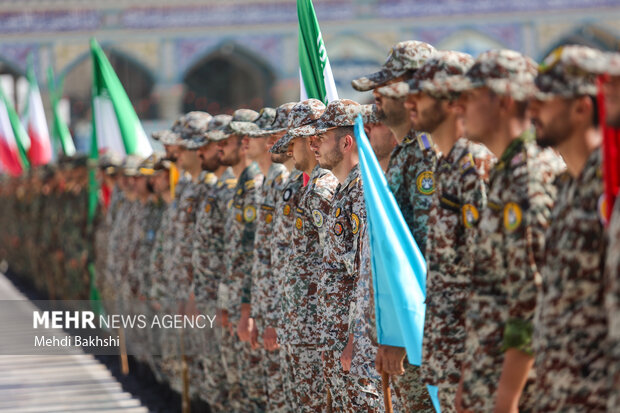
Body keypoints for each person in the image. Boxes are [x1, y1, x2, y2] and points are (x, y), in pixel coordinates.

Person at [379, 50, 495, 412]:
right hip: (436, 337)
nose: (410, 101)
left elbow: (488, 272)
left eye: (420, 92)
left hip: (468, 348)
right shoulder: (434, 160)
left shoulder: (471, 165)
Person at [453, 49, 565, 412]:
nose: (458, 108)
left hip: (521, 392)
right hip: (488, 378)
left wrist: (506, 397)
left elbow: (532, 298)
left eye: (468, 97)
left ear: (502, 101)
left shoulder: (526, 178)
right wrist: (471, 383)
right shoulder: (506, 173)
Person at [352, 39, 437, 411]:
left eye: (384, 91)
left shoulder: (434, 156)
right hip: (413, 336)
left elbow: (430, 256)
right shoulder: (406, 155)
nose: (376, 101)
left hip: (432, 338)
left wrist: (404, 334)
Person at [529, 45, 608, 411]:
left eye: (544, 101)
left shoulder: (609, 186)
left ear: (581, 107)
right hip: (560, 392)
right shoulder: (566, 187)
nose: (532, 111)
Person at [308, 99, 381, 412]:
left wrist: (353, 339)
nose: (314, 147)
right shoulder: (342, 190)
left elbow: (362, 274)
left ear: (346, 142)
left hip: (352, 339)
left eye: (320, 139)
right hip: (335, 334)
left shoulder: (362, 192)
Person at [272, 99, 339, 412]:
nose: (289, 152)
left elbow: (336, 259)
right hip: (302, 325)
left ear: (312, 142)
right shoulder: (310, 187)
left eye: (294, 143)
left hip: (315, 328)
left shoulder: (324, 190)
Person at [217, 108, 267, 411]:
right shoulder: (241, 185)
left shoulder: (255, 185)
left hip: (249, 305)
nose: (242, 142)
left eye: (244, 136)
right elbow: (233, 253)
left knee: (254, 390)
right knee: (240, 388)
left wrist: (246, 306)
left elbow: (252, 251)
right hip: (237, 300)